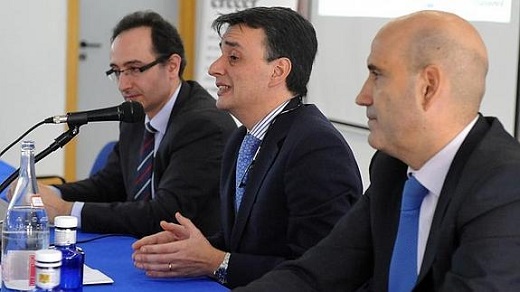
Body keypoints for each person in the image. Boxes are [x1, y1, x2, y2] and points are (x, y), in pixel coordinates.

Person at [233, 10, 520, 291]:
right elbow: (315, 275)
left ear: (428, 87)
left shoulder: (506, 186)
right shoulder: (391, 167)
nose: (362, 96)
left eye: (377, 75)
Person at [131, 6, 363, 289]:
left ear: (278, 71)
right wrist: (192, 248)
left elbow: (320, 271)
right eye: (220, 54)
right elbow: (241, 242)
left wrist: (215, 261)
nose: (214, 68)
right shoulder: (241, 140)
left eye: (234, 57)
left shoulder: (316, 148)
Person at [35, 11, 237, 238]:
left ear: (172, 66)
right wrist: (49, 194)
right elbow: (110, 185)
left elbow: (165, 215)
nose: (123, 84)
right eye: (117, 71)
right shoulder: (136, 113)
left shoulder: (203, 126)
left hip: (190, 262)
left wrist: (65, 211)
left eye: (134, 69)